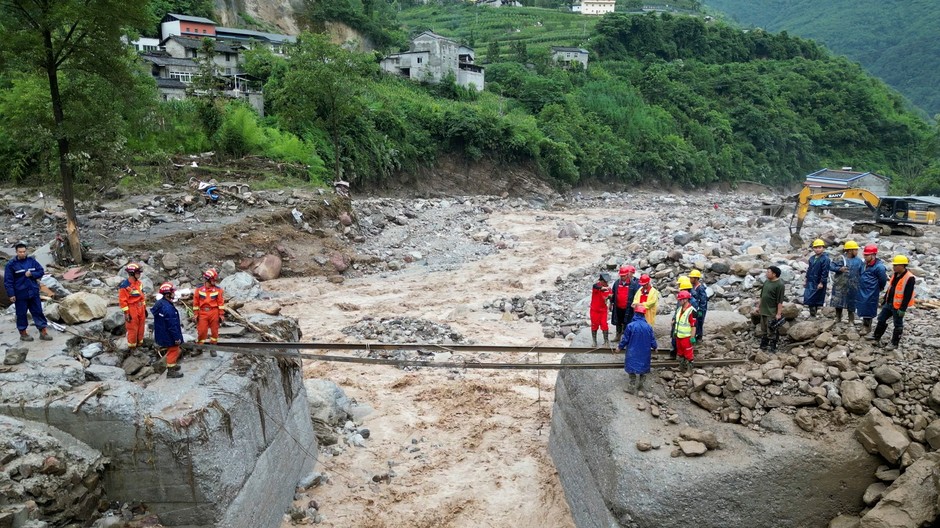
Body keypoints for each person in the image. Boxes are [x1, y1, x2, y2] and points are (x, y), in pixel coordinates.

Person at [4, 243, 52, 342]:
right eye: (20, 252)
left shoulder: (32, 261)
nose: (22, 254)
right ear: (16, 252)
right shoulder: (11, 265)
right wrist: (11, 294)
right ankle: (23, 333)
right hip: (20, 293)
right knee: (21, 314)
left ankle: (43, 332)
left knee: (38, 311)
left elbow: (41, 271)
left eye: (24, 252)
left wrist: (32, 274)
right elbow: (8, 281)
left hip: (33, 291)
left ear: (26, 251)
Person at [867, 255, 916, 350]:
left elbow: (907, 295)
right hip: (889, 303)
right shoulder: (895, 274)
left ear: (902, 265)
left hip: (898, 306)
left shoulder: (910, 278)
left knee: (898, 324)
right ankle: (876, 336)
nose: (893, 267)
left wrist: (903, 308)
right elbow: (890, 288)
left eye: (896, 265)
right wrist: (885, 299)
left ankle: (894, 343)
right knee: (881, 319)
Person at [617, 304, 657, 395]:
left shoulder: (631, 326)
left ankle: (631, 387)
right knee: (643, 368)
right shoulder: (648, 327)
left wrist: (619, 347)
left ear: (635, 313)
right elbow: (652, 339)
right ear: (644, 314)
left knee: (632, 368)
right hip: (645, 352)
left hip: (633, 351)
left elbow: (625, 339)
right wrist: (655, 347)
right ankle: (641, 386)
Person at [151, 282, 184, 379]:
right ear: (167, 294)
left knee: (173, 350)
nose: (174, 294)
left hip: (162, 332)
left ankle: (172, 365)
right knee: (173, 350)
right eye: (172, 292)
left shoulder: (159, 303)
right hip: (168, 334)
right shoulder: (168, 308)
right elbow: (172, 325)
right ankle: (171, 370)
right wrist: (177, 338)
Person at [829, 241, 863, 325]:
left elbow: (862, 272)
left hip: (853, 285)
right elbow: (831, 266)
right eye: (855, 250)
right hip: (840, 284)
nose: (857, 251)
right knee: (838, 301)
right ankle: (838, 317)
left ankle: (851, 319)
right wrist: (839, 269)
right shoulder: (840, 258)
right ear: (850, 251)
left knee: (852, 302)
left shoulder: (859, 261)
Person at [857, 244, 888, 335]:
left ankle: (867, 326)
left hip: (871, 290)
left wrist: (879, 288)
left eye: (867, 255)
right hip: (863, 289)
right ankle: (864, 323)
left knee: (869, 308)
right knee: (862, 306)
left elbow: (883, 279)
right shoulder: (864, 264)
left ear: (873, 255)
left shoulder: (879, 267)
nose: (865, 257)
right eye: (864, 255)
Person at [194, 268, 224, 356]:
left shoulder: (218, 290)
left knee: (215, 332)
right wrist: (196, 315)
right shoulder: (199, 289)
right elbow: (195, 303)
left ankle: (213, 348)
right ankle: (199, 348)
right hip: (202, 313)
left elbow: (220, 303)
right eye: (213, 279)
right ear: (208, 280)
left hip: (214, 312)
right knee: (202, 331)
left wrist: (221, 315)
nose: (215, 281)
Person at [118, 263, 147, 349]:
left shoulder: (139, 283)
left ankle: (139, 344)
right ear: (132, 273)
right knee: (132, 329)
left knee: (141, 327)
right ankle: (132, 347)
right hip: (132, 309)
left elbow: (142, 297)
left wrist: (144, 309)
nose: (140, 274)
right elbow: (123, 301)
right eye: (138, 272)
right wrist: (127, 313)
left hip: (141, 308)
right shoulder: (125, 286)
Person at [758, 266, 785, 352]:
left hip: (772, 311)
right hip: (764, 310)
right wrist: (759, 307)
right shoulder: (766, 282)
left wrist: (778, 313)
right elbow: (762, 296)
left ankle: (773, 346)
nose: (766, 273)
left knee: (771, 329)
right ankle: (764, 344)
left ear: (774, 274)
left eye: (768, 272)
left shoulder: (780, 284)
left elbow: (780, 301)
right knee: (764, 329)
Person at [610, 265, 639, 341]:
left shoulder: (633, 284)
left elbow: (636, 296)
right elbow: (613, 293)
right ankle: (618, 336)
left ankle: (626, 338)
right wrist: (611, 303)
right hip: (618, 307)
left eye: (624, 276)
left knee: (628, 322)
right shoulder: (616, 283)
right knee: (618, 322)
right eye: (621, 276)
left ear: (627, 275)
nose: (622, 277)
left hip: (628, 308)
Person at [803, 239, 830, 317]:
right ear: (813, 248)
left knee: (817, 297)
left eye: (820, 247)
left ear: (823, 248)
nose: (818, 249)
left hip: (819, 280)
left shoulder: (825, 259)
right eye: (816, 247)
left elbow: (825, 271)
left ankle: (815, 312)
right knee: (808, 296)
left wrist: (822, 282)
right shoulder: (812, 258)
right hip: (811, 280)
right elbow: (809, 269)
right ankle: (812, 311)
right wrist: (806, 279)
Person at [673, 290, 697, 373]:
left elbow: (693, 326)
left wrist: (692, 337)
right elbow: (678, 322)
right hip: (679, 335)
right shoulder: (680, 309)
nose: (679, 301)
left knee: (688, 354)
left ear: (686, 299)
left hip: (686, 337)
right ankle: (681, 367)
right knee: (680, 352)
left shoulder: (691, 311)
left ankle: (690, 371)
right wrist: (675, 331)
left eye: (680, 299)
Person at [689, 269, 708, 341]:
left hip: (699, 309)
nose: (690, 279)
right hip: (695, 308)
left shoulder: (700, 288)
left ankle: (699, 337)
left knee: (699, 322)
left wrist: (701, 310)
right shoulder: (694, 287)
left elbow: (703, 300)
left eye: (691, 278)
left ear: (696, 278)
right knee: (695, 322)